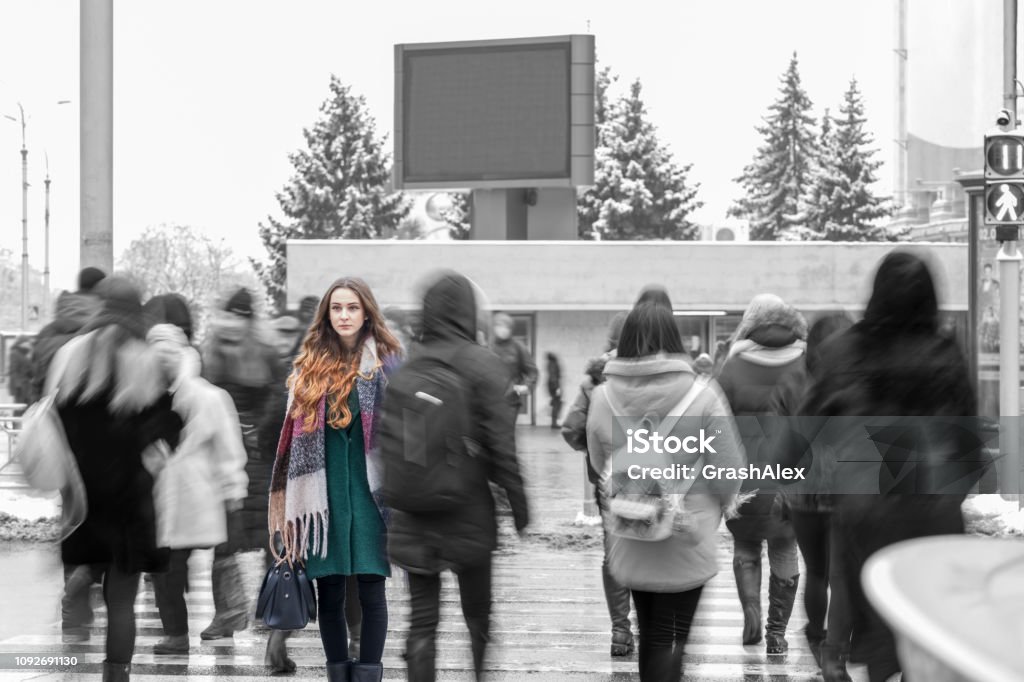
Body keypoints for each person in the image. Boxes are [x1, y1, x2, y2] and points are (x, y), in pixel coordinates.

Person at [797, 251, 980, 682]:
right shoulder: (945, 352)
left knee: (881, 628)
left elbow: (808, 426)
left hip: (865, 508)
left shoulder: (845, 351)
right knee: (927, 628)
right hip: (932, 507)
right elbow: (968, 441)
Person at [586, 302, 744, 681]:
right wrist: (722, 507)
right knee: (671, 636)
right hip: (686, 536)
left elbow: (597, 463)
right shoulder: (703, 396)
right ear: (675, 341)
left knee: (650, 633)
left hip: (631, 530)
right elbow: (728, 473)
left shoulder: (602, 397)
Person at [387, 271, 530, 682]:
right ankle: (480, 673)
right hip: (469, 509)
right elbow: (503, 448)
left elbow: (396, 441)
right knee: (477, 613)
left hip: (413, 512)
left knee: (422, 620)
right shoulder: (485, 364)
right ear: (469, 313)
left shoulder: (408, 363)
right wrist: (520, 508)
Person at [269, 277, 402, 681]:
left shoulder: (386, 362)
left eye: (352, 308)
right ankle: (337, 674)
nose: (344, 315)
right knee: (330, 592)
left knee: (371, 590)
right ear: (327, 315)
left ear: (366, 314)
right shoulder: (308, 367)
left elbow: (406, 430)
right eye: (337, 308)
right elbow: (289, 444)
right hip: (321, 501)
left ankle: (368, 675)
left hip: (370, 495)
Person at [53, 277, 183, 682]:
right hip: (131, 496)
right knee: (122, 600)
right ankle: (117, 676)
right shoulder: (146, 360)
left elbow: (58, 420)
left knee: (91, 558)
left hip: (87, 492)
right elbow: (168, 427)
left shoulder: (72, 356)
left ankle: (82, 576)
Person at [716, 293, 807, 654]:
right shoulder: (805, 363)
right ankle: (776, 633)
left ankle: (750, 608)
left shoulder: (733, 366)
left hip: (744, 475)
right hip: (791, 477)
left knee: (746, 545)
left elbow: (716, 421)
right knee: (785, 547)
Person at [767, 313, 854, 674]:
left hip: (802, 493)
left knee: (816, 571)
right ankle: (834, 653)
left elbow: (777, 443)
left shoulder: (791, 383)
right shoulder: (855, 383)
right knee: (841, 576)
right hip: (848, 492)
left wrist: (781, 491)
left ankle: (817, 636)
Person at [200, 288, 286, 642]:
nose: (234, 322)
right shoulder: (212, 351)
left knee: (270, 536)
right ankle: (229, 611)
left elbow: (282, 397)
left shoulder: (266, 352)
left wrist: (258, 431)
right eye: (231, 314)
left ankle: (271, 609)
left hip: (260, 455)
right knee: (223, 537)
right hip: (224, 455)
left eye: (241, 316)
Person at [559, 311, 635, 656]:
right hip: (654, 477)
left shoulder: (595, 378)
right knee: (653, 546)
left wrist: (592, 452)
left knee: (615, 550)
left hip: (607, 478)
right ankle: (657, 628)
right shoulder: (658, 372)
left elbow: (571, 428)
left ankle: (621, 629)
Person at [489, 312, 538, 419]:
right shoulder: (488, 347)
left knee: (505, 433)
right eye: (500, 326)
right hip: (489, 400)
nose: (503, 330)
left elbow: (532, 371)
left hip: (509, 401)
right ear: (494, 328)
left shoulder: (518, 347)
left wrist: (526, 386)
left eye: (506, 327)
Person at [545, 352, 563, 428]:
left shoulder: (550, 364)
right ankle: (554, 423)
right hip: (554, 385)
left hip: (552, 385)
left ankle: (554, 422)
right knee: (556, 404)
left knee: (556, 403)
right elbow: (553, 377)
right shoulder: (553, 364)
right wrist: (557, 388)